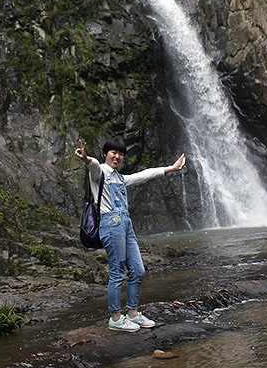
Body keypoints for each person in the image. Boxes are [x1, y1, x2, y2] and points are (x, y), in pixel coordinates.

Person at [75, 137, 186, 332]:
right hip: (110, 224)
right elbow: (91, 165)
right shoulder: (99, 172)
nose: (117, 156)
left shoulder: (120, 178)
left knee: (138, 270)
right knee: (117, 272)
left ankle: (133, 313)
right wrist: (85, 158)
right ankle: (116, 318)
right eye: (113, 152)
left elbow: (144, 175)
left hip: (126, 225)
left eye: (120, 154)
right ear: (105, 154)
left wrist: (171, 168)